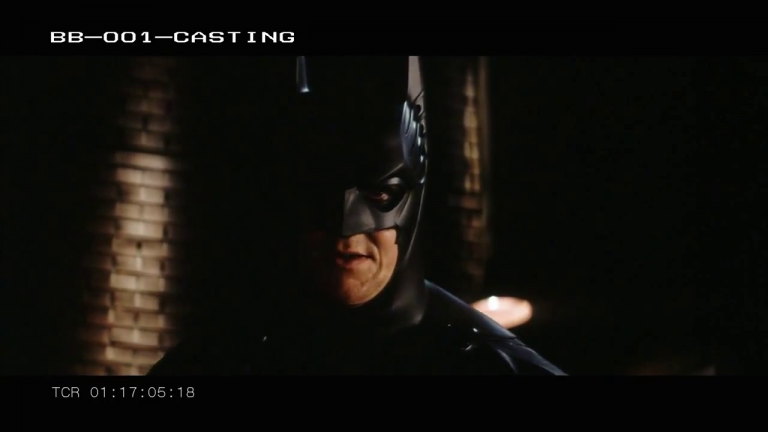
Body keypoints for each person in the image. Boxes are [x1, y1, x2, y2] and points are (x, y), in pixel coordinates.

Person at [148, 56, 564, 375]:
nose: (345, 229)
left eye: (379, 193)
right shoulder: (216, 361)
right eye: (320, 193)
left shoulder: (496, 369)